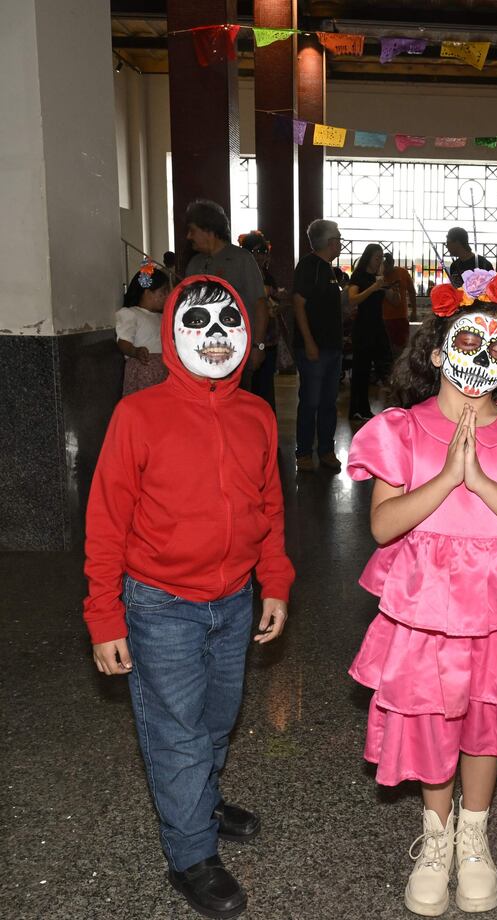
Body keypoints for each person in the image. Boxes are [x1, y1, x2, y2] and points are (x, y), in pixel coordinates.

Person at [346, 268, 497, 916]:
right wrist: (448, 475)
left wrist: (482, 482)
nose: (481, 358)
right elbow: (382, 525)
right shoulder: (400, 428)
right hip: (426, 615)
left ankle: (474, 835)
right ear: (435, 350)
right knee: (432, 718)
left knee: (484, 720)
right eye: (468, 343)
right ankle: (436, 834)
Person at [84, 276, 294, 920]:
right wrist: (104, 614)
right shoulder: (138, 416)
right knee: (176, 732)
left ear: (248, 335)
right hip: (158, 605)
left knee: (216, 717)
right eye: (198, 322)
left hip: (233, 602)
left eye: (228, 323)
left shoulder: (257, 414)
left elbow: (269, 506)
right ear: (174, 331)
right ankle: (191, 852)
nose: (214, 336)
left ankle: (199, 799)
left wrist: (275, 579)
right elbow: (106, 519)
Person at [184, 199, 269, 391]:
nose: (189, 236)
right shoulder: (194, 264)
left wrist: (258, 347)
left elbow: (260, 305)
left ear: (208, 230)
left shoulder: (241, 259)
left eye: (193, 230)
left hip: (235, 352)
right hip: (201, 352)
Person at [292, 219, 345, 472]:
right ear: (330, 242)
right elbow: (298, 304)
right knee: (310, 401)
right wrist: (309, 342)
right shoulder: (309, 266)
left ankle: (326, 450)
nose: (341, 243)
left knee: (328, 402)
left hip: (333, 347)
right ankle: (303, 452)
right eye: (338, 238)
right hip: (315, 348)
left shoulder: (328, 269)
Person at [347, 244, 393, 422]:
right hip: (363, 328)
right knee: (361, 370)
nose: (380, 261)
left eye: (381, 258)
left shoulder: (378, 278)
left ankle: (392, 406)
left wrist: (388, 289)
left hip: (378, 326)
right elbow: (352, 299)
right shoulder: (359, 276)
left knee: (386, 364)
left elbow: (394, 300)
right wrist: (373, 288)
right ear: (368, 258)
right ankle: (358, 409)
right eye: (377, 257)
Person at [239, 230, 280, 411]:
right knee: (246, 389)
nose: (259, 256)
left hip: (267, 341)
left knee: (265, 388)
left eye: (262, 252)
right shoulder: (240, 276)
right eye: (254, 252)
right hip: (246, 341)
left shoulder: (269, 277)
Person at [116, 260, 169, 395]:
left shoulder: (162, 317)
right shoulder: (131, 314)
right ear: (147, 292)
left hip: (163, 374)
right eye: (163, 292)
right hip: (143, 374)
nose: (167, 296)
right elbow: (123, 342)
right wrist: (135, 351)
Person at [382, 252, 418, 352]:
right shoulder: (378, 275)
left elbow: (411, 292)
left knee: (400, 348)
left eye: (386, 267)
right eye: (382, 267)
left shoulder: (402, 273)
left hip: (400, 317)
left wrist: (414, 311)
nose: (385, 270)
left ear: (392, 263)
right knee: (386, 349)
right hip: (383, 318)